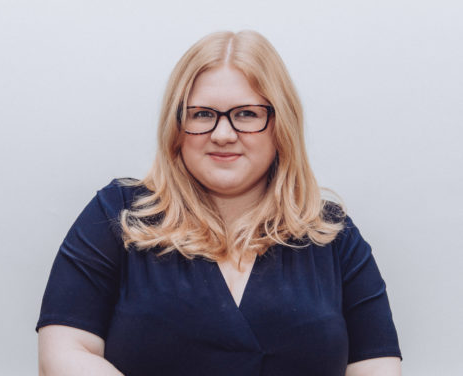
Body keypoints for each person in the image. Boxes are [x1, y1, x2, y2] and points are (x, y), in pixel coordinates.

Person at [36, 30, 402, 376]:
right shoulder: (117, 216)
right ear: (176, 128)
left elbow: (377, 365)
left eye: (246, 114)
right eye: (202, 115)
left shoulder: (333, 236)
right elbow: (65, 353)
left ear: (281, 125)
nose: (223, 134)